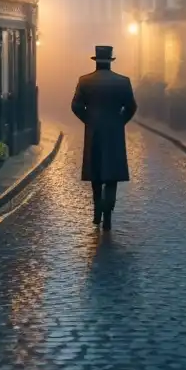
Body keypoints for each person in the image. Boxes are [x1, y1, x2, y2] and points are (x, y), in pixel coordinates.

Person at [70, 45, 137, 231]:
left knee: (96, 173)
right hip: (115, 132)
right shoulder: (123, 82)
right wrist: (120, 121)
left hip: (94, 132)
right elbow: (132, 107)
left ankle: (97, 211)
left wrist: (89, 120)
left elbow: (75, 106)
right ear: (111, 60)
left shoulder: (85, 81)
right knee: (112, 175)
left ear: (96, 61)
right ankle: (108, 215)